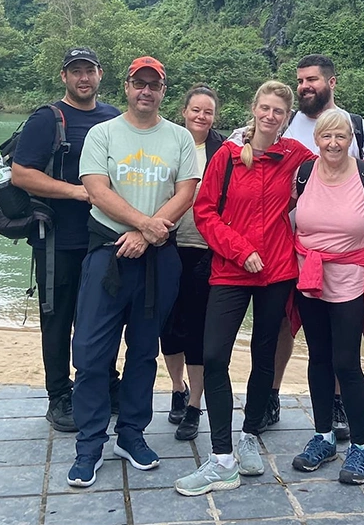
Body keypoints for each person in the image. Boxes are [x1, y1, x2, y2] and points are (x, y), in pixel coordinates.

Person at [173, 81, 316, 496]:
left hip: (277, 273)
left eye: (279, 111)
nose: (271, 116)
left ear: (287, 118)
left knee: (264, 355)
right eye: (265, 108)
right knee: (215, 355)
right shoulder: (229, 156)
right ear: (253, 109)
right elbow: (205, 213)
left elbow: (333, 160)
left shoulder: (295, 156)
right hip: (232, 270)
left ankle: (250, 434)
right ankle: (221, 459)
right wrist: (240, 250)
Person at [67, 56, 200, 488]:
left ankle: (131, 434)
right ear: (126, 86)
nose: (146, 91)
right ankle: (89, 445)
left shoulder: (178, 138)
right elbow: (96, 188)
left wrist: (148, 234)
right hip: (107, 253)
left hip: (158, 259)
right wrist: (141, 224)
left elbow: (186, 191)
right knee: (90, 353)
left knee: (144, 351)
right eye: (139, 83)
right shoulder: (102, 133)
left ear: (164, 91)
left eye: (154, 85)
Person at [9, 47, 119, 433]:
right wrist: (75, 192)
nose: (83, 78)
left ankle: (105, 383)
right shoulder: (47, 119)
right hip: (57, 241)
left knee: (103, 318)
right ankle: (59, 395)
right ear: (64, 78)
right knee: (57, 321)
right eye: (76, 72)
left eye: (89, 70)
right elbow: (21, 174)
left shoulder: (113, 118)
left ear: (100, 74)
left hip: (103, 238)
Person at [288, 109, 364, 485]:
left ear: (351, 139)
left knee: (346, 362)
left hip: (351, 280)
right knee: (318, 358)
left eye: (341, 136)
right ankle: (323, 437)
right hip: (310, 278)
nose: (333, 143)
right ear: (316, 139)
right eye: (326, 136)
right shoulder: (303, 173)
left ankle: (361, 447)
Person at [270, 54, 364, 440]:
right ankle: (273, 395)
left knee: (342, 345)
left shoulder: (357, 126)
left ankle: (337, 405)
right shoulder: (285, 124)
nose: (304, 87)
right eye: (300, 81)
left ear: (332, 82)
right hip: (292, 246)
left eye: (312, 79)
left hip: (346, 253)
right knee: (284, 324)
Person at [161, 85, 226, 441]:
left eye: (208, 112)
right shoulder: (168, 141)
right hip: (167, 243)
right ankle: (176, 388)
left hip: (206, 249)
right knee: (169, 326)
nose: (201, 117)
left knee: (199, 329)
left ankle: (195, 405)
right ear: (183, 110)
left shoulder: (224, 149)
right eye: (195, 110)